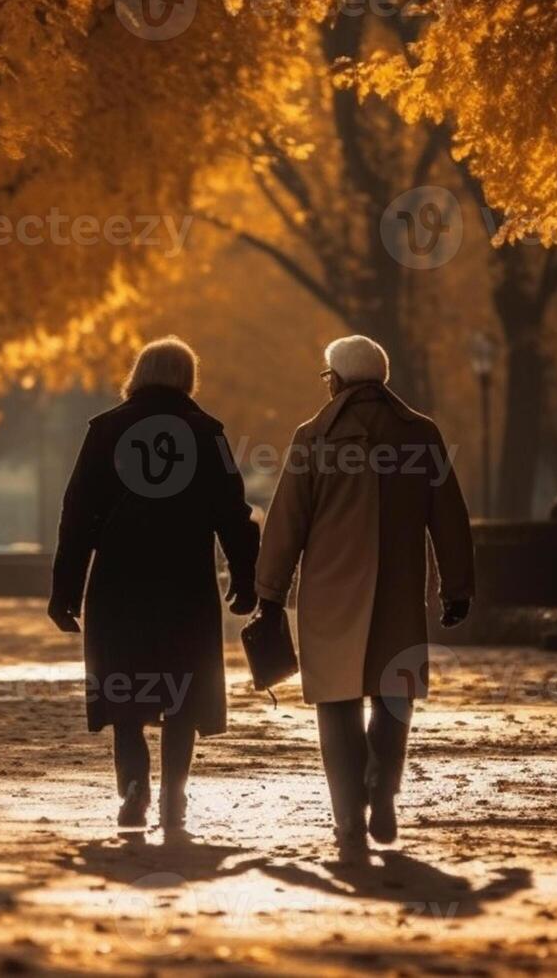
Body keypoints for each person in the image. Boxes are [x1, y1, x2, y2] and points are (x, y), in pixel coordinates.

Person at [254, 336, 475, 862]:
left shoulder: (314, 437)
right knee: (393, 696)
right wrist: (457, 586)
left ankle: (349, 818)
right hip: (399, 589)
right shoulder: (421, 435)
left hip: (330, 595)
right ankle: (383, 787)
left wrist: (268, 594)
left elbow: (287, 523)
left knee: (336, 704)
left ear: (335, 379)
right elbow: (449, 516)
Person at [48, 337, 260, 833]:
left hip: (119, 583)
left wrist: (65, 590)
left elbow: (76, 515)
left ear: (137, 373)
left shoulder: (105, 430)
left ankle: (134, 788)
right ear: (188, 378)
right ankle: (175, 794)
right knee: (180, 694)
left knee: (126, 690)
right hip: (185, 583)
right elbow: (233, 514)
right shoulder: (208, 432)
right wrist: (245, 580)